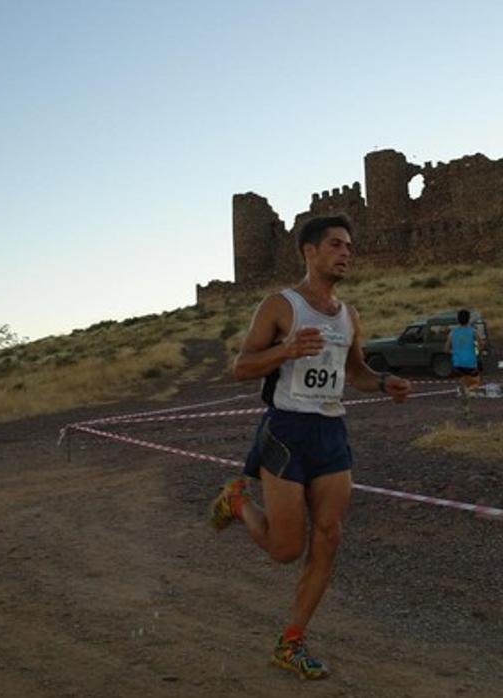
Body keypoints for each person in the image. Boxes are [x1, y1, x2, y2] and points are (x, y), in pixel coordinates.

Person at [208, 215, 412, 680]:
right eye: (336, 245)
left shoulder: (348, 315)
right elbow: (241, 367)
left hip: (330, 433)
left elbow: (355, 372)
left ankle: (292, 641)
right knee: (285, 549)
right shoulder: (281, 306)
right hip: (286, 431)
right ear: (310, 252)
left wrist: (384, 383)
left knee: (330, 535)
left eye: (349, 247)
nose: (346, 253)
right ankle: (237, 502)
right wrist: (285, 351)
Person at [445, 309, 482, 412]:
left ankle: (466, 408)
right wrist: (477, 352)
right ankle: (468, 393)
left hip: (457, 363)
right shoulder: (473, 331)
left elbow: (446, 349)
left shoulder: (452, 333)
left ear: (458, 319)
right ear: (469, 319)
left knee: (463, 383)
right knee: (476, 382)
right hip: (470, 362)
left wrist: (455, 353)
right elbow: (481, 344)